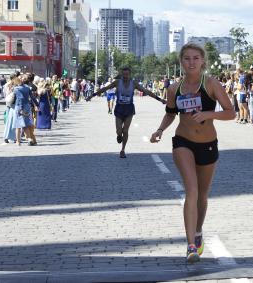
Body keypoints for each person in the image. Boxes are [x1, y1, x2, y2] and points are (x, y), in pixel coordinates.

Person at [150, 43, 235, 263]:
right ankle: (190, 246)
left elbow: (231, 113)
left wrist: (208, 114)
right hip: (183, 142)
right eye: (186, 58)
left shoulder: (211, 84)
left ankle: (198, 231)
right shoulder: (174, 88)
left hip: (207, 144)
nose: (191, 62)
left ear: (202, 61)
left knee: (202, 195)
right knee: (192, 190)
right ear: (181, 62)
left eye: (195, 58)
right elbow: (170, 114)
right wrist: (160, 130)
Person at [87, 67, 166, 158]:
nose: (125, 76)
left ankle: (123, 150)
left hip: (129, 109)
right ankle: (119, 135)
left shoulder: (134, 84)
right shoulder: (117, 82)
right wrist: (91, 96)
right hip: (119, 108)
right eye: (123, 74)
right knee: (119, 130)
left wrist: (160, 99)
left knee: (125, 130)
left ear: (129, 74)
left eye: (127, 74)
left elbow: (146, 91)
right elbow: (105, 89)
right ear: (121, 74)